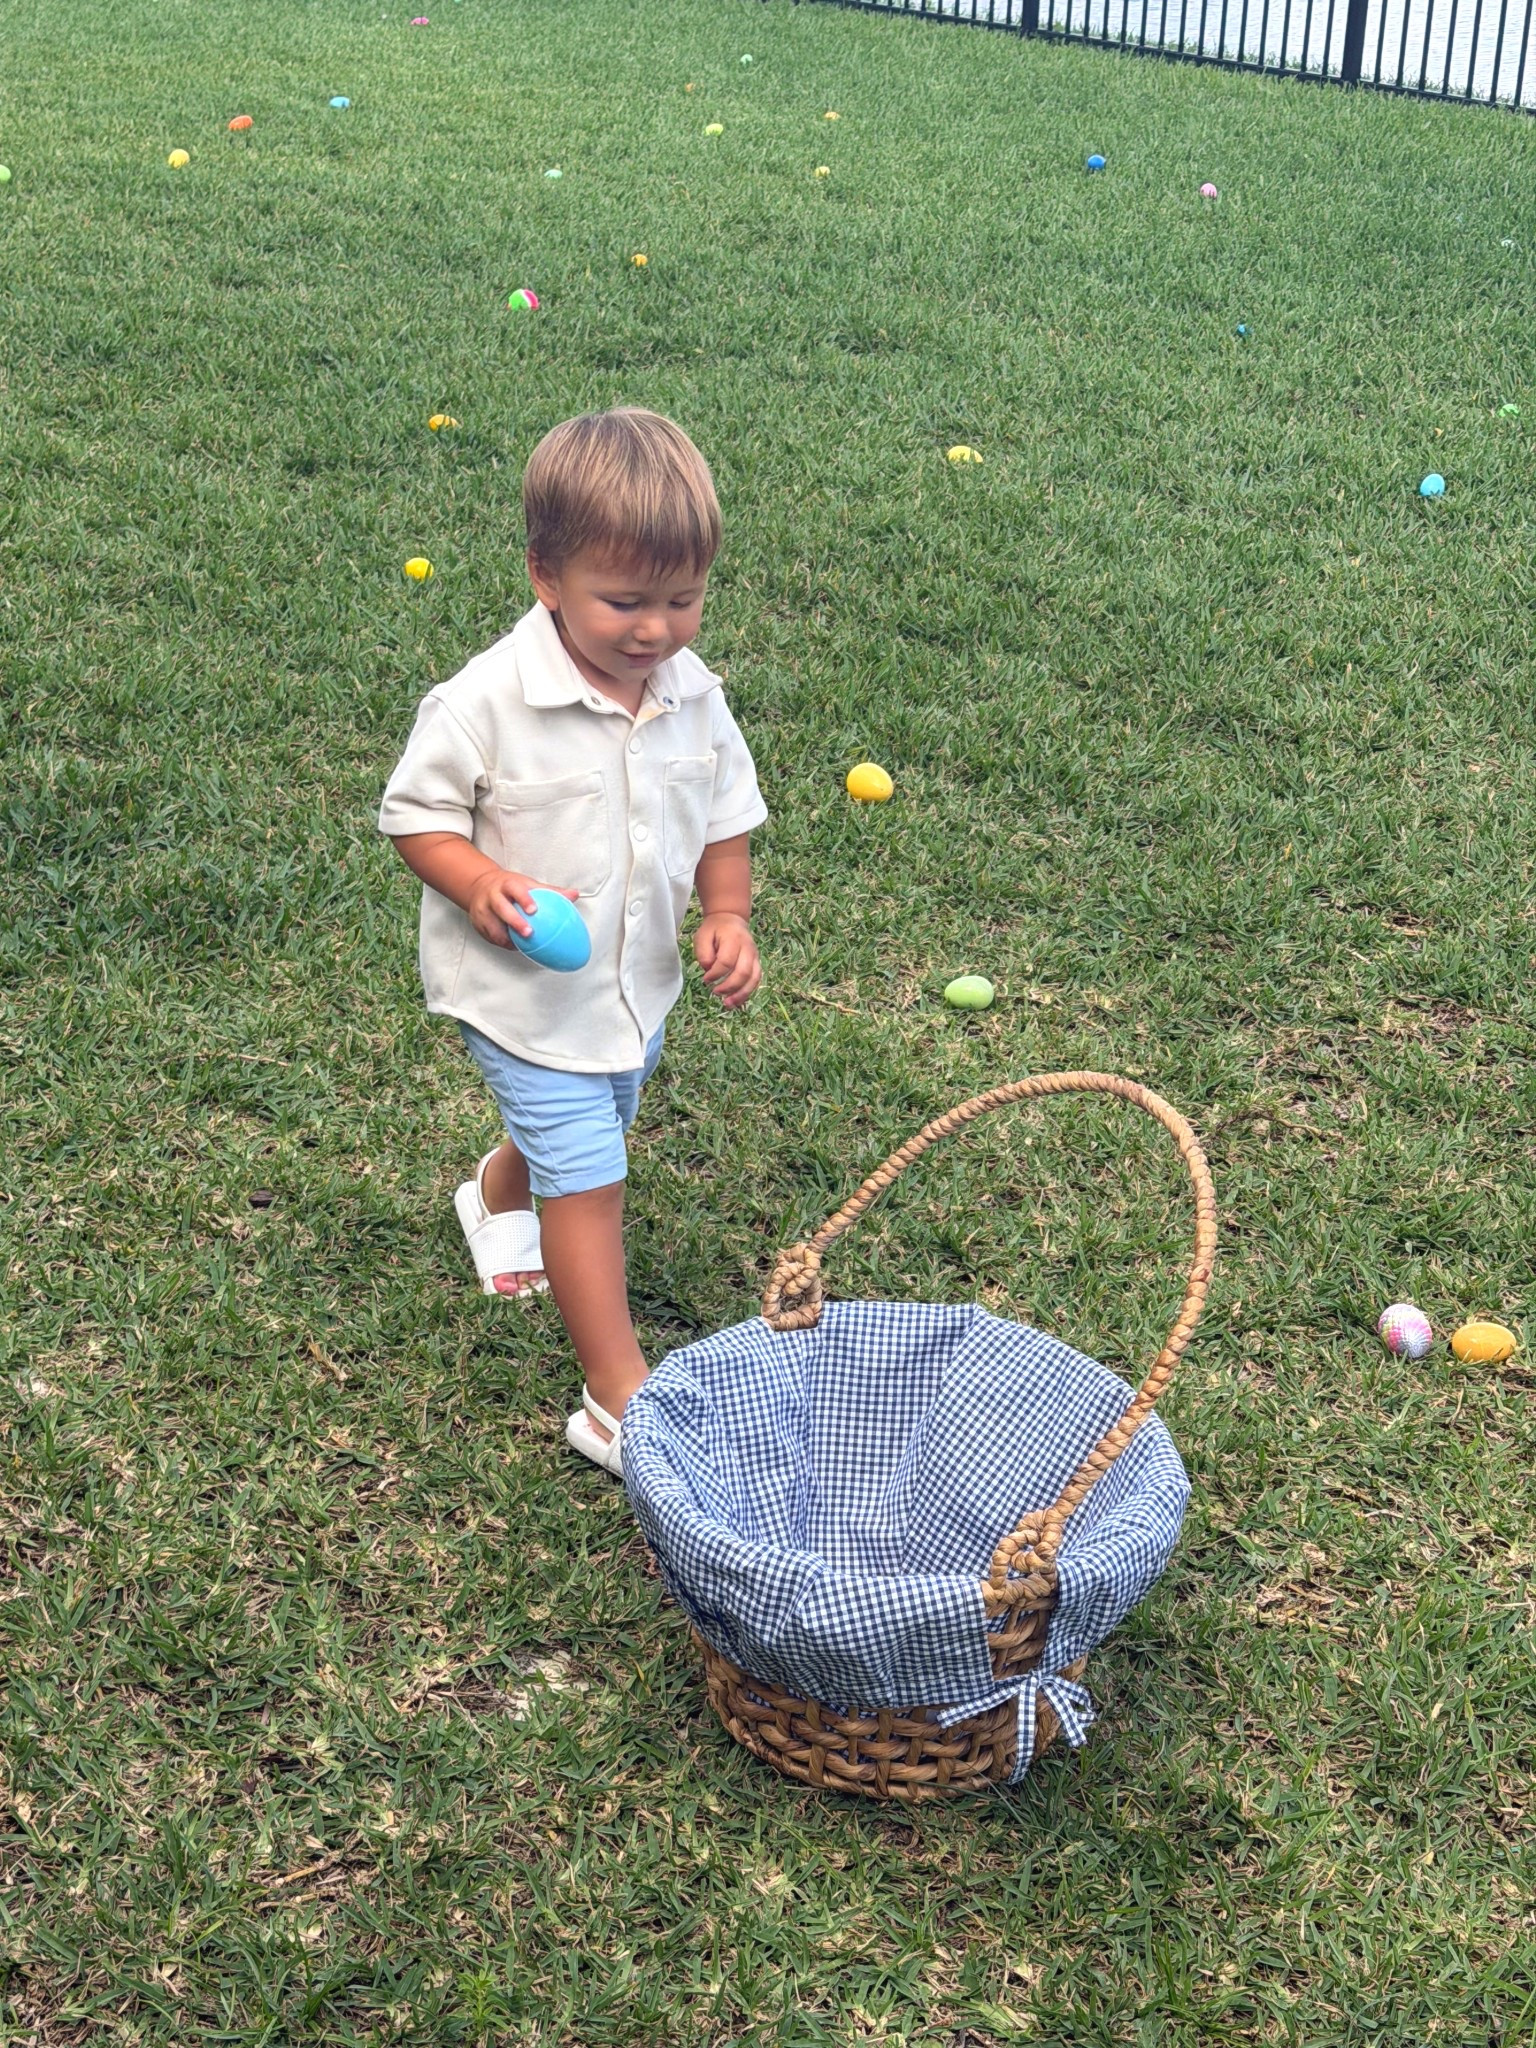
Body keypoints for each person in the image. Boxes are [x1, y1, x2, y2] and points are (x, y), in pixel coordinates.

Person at [379, 408, 766, 1476]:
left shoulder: (695, 696)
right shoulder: (485, 701)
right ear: (546, 574)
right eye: (625, 601)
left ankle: (497, 1194)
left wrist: (725, 912)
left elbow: (727, 811)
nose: (656, 630)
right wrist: (481, 880)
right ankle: (616, 1391)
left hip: (631, 991)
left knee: (600, 1118)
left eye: (683, 600)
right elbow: (415, 815)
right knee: (591, 1174)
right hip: (522, 995)